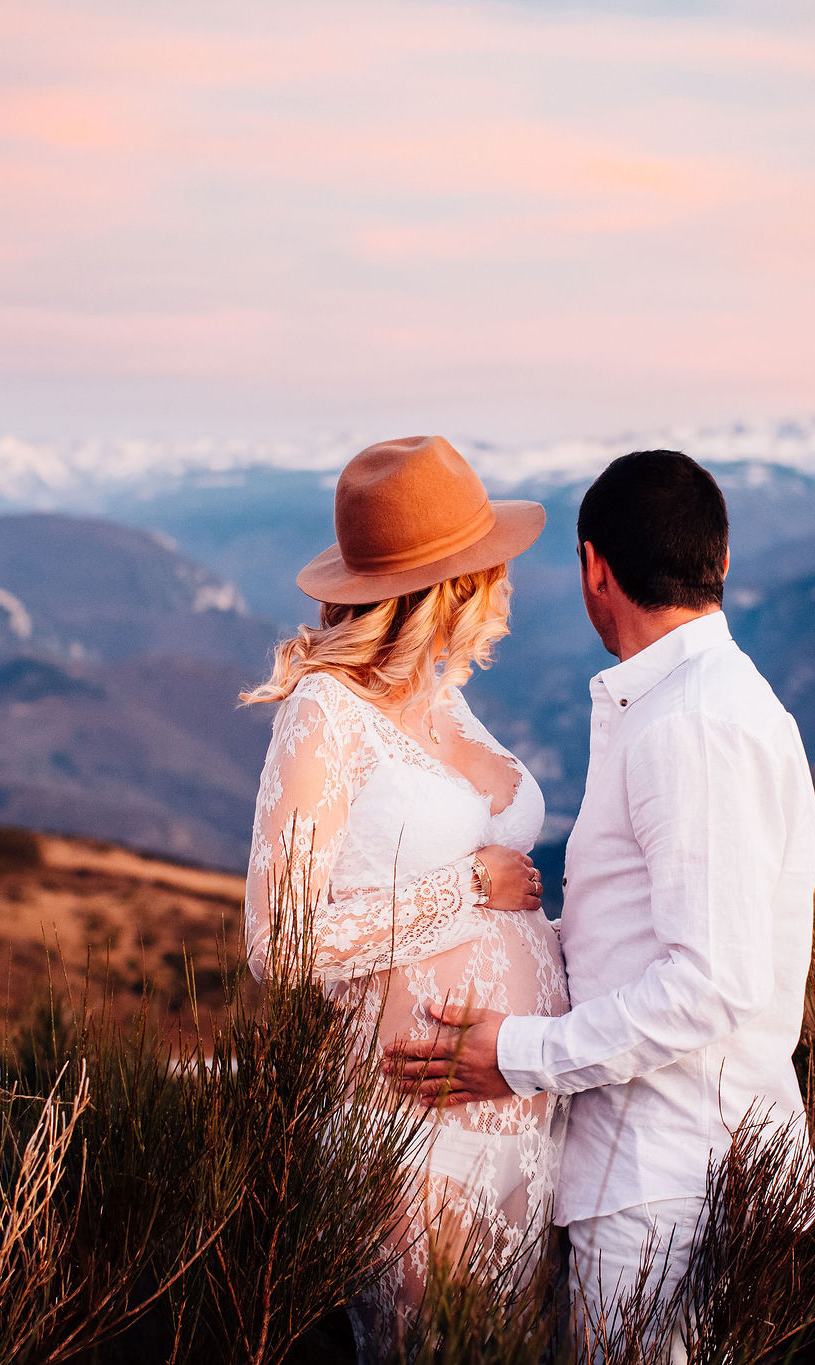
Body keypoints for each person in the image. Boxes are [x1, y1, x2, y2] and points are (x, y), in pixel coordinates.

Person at [384, 450, 815, 1360]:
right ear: (720, 562)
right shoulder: (691, 704)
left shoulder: (692, 724)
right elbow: (646, 937)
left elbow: (711, 983)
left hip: (667, 1183)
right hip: (668, 1170)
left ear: (595, 568)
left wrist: (514, 1052)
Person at [240, 434, 569, 1352]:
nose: (507, 592)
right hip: (412, 1128)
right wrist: (467, 885)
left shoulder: (444, 696)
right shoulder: (325, 711)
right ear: (449, 589)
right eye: (492, 571)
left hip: (527, 1115)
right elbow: (282, 943)